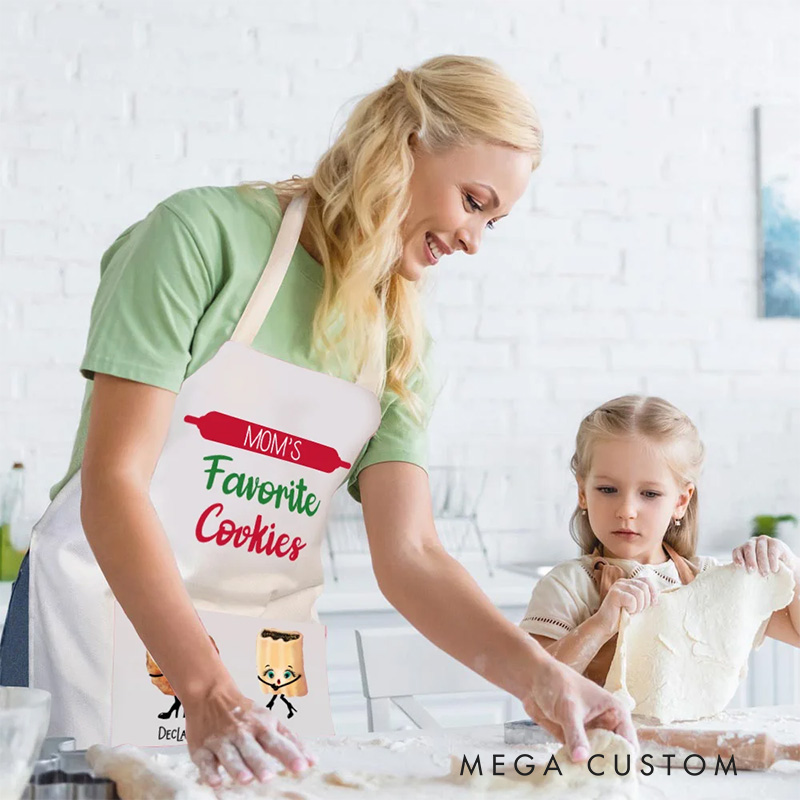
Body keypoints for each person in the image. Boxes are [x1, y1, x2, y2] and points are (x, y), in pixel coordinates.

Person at [0, 56, 635, 788]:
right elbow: (115, 481)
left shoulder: (400, 338)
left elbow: (413, 554)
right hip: (103, 625)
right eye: (472, 201)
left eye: (491, 221)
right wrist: (203, 689)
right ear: (406, 145)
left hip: (263, 659)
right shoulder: (200, 237)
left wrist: (542, 679)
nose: (473, 241)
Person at [520, 394, 800, 687]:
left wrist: (790, 566)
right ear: (582, 493)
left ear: (681, 501)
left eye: (650, 494)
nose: (627, 511)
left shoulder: (709, 582)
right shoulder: (567, 586)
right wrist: (601, 625)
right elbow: (535, 685)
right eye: (607, 489)